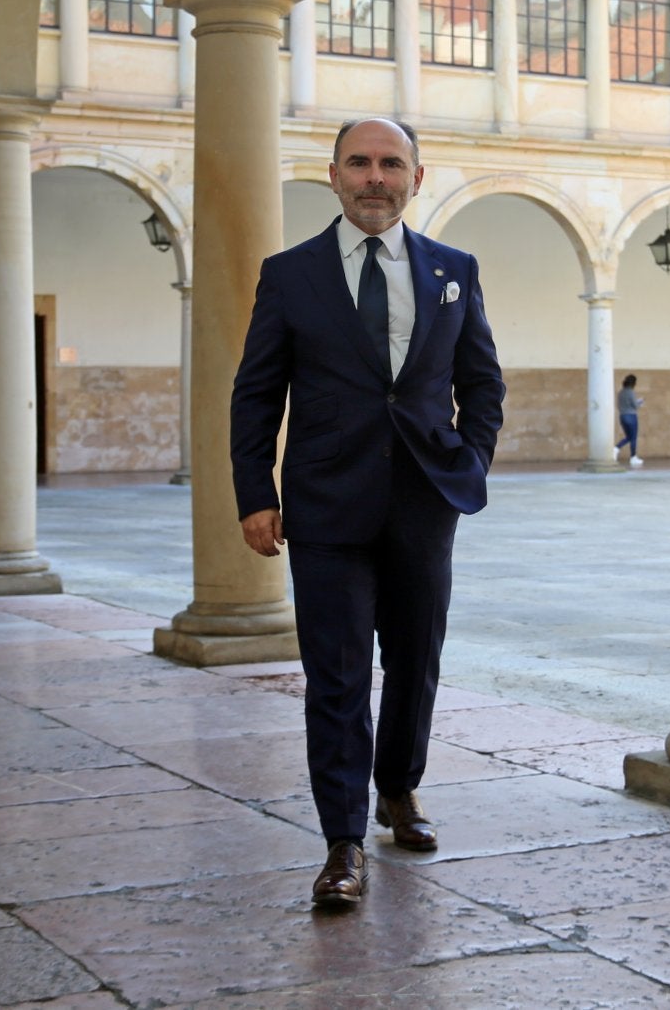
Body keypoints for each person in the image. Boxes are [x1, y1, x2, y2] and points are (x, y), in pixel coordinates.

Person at [230, 118, 505, 908]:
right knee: (338, 674)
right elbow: (256, 394)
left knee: (415, 660)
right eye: (360, 163)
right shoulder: (290, 275)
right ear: (334, 175)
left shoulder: (454, 269)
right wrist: (257, 493)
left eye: (391, 164)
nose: (374, 177)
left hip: (425, 502)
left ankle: (398, 789)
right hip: (325, 507)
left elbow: (482, 383)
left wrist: (471, 460)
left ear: (418, 179)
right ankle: (343, 841)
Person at [615, 374, 644, 467]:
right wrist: (640, 402)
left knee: (628, 437)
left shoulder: (620, 393)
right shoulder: (631, 392)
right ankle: (633, 457)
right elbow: (635, 406)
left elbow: (619, 405)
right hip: (631, 416)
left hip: (622, 416)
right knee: (633, 437)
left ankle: (616, 448)